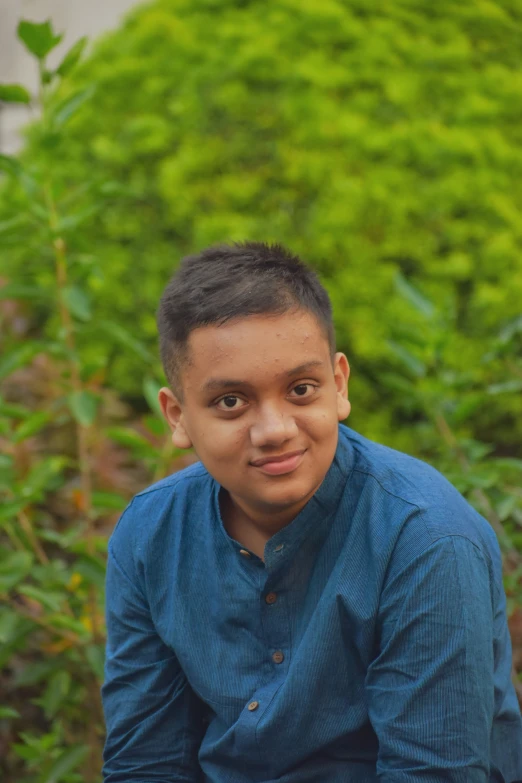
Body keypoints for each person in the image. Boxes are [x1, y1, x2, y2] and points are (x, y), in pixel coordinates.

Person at [102, 241, 522, 782]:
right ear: (178, 416)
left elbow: (432, 772)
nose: (275, 430)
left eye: (301, 390)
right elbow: (145, 764)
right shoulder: (150, 535)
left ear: (338, 386)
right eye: (231, 401)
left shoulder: (426, 541)